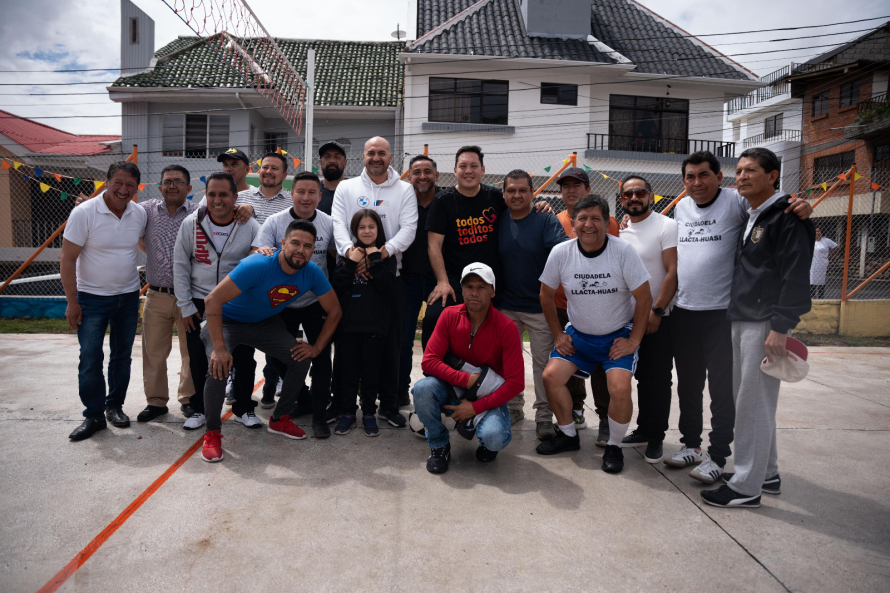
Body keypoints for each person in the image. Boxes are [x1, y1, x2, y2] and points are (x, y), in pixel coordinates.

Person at [669, 151, 812, 484]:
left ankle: (719, 457)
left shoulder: (736, 201)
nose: (697, 182)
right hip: (686, 309)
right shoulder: (681, 207)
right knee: (689, 385)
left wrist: (801, 204)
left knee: (727, 392)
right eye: (690, 176)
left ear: (720, 178)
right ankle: (692, 445)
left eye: (704, 175)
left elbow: (780, 209)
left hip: (724, 312)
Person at [423, 145, 551, 425]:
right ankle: (436, 394)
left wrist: (540, 206)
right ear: (454, 170)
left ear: (482, 169)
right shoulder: (444, 202)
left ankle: (494, 402)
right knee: (434, 319)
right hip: (459, 286)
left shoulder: (496, 197)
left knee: (496, 351)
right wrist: (443, 282)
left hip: (493, 290)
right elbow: (434, 244)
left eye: (474, 166)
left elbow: (522, 206)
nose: (468, 171)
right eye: (463, 166)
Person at [199, 219, 342, 462]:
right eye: (295, 243)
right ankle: (212, 433)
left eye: (308, 246)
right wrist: (220, 349)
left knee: (300, 358)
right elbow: (212, 300)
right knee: (218, 368)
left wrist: (317, 348)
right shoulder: (258, 264)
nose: (301, 250)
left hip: (263, 323)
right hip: (227, 322)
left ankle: (279, 419)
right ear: (283, 243)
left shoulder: (312, 273)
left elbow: (335, 311)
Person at [535, 195, 652, 474]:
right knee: (551, 376)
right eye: (582, 218)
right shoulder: (561, 252)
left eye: (596, 218)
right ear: (573, 223)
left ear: (607, 222)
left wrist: (633, 340)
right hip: (579, 335)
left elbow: (645, 298)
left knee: (620, 388)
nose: (589, 224)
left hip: (616, 335)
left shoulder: (623, 251)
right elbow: (545, 294)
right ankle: (568, 435)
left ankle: (613, 445)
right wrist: (557, 334)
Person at [330, 136, 417, 429]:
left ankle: (387, 405)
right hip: (351, 271)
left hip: (388, 275)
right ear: (362, 157)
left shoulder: (404, 189)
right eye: (371, 153)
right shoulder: (346, 186)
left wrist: (381, 253)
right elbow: (339, 225)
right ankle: (344, 405)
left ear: (391, 157)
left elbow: (409, 229)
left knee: (389, 347)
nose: (376, 157)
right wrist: (351, 254)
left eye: (381, 152)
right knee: (347, 349)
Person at [62, 161, 147, 441]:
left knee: (121, 357)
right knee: (90, 358)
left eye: (130, 185)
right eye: (118, 183)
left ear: (137, 187)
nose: (124, 190)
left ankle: (115, 407)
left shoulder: (138, 214)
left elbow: (141, 244)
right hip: (91, 299)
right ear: (107, 181)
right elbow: (68, 259)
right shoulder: (84, 213)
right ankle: (94, 415)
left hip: (128, 297)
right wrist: (72, 302)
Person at [414, 263, 524, 474]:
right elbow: (429, 361)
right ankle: (439, 445)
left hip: (487, 395)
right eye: (469, 287)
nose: (474, 293)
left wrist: (475, 408)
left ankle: (487, 441)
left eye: (481, 287)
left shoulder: (507, 327)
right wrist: (466, 380)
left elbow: (516, 383)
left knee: (494, 438)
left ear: (492, 291)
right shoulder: (448, 315)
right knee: (422, 389)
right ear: (462, 289)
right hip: (453, 388)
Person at [173, 173, 263, 430]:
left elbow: (257, 262)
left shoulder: (250, 225)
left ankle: (243, 408)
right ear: (205, 195)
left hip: (236, 302)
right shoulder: (191, 222)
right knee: (199, 358)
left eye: (224, 194)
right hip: (199, 301)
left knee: (244, 357)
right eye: (212, 194)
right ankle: (199, 409)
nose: (217, 200)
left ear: (235, 197)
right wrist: (186, 305)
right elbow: (180, 265)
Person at [251, 171, 336, 437]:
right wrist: (262, 251)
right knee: (278, 356)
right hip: (281, 302)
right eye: (301, 191)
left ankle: (320, 414)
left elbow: (339, 254)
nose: (306, 197)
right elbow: (258, 251)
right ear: (292, 193)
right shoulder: (275, 222)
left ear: (319, 196)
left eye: (312, 192)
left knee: (320, 358)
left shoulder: (329, 223)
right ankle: (304, 398)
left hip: (315, 301)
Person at [497, 170, 568, 440]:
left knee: (543, 366)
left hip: (539, 308)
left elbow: (563, 252)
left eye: (522, 190)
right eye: (511, 190)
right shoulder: (498, 219)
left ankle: (543, 416)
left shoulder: (545, 219)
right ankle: (513, 408)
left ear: (532, 193)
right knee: (508, 363)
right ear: (503, 193)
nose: (516, 195)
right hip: (506, 306)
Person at [553, 167, 620, 444]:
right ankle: (576, 409)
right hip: (563, 304)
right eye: (566, 186)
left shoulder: (610, 222)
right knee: (568, 357)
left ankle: (605, 417)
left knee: (603, 365)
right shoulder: (553, 220)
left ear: (588, 190)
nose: (571, 190)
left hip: (598, 304)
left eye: (577, 185)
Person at [616, 175, 678, 465]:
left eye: (639, 192)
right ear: (621, 200)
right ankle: (643, 428)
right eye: (627, 195)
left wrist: (658, 310)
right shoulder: (621, 230)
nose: (633, 198)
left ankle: (657, 438)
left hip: (656, 318)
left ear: (651, 196)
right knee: (639, 377)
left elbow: (671, 272)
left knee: (657, 378)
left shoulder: (666, 226)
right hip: (626, 320)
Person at [132, 165, 199, 423]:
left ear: (188, 188)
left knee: (190, 352)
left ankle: (188, 399)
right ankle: (156, 402)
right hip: (156, 295)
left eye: (179, 182)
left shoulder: (198, 213)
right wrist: (154, 254)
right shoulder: (146, 210)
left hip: (189, 297)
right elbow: (135, 234)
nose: (172, 185)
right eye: (168, 181)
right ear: (160, 186)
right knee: (154, 352)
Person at [331, 210, 398, 436]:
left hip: (375, 325)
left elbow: (386, 287)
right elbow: (337, 285)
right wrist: (351, 263)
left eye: (371, 226)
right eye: (362, 227)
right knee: (348, 372)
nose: (367, 231)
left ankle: (369, 412)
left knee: (371, 373)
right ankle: (348, 412)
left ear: (379, 229)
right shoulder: (346, 254)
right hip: (348, 325)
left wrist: (376, 260)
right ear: (354, 230)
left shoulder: (386, 256)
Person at [398, 155, 440, 406]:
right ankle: (400, 388)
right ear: (409, 176)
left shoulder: (446, 201)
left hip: (438, 282)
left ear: (436, 175)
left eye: (427, 171)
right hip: (407, 280)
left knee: (434, 342)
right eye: (416, 172)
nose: (422, 176)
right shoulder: (402, 201)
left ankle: (431, 390)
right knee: (403, 339)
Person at [317, 141, 348, 215]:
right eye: (327, 157)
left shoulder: (354, 189)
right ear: (320, 163)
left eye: (337, 157)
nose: (332, 161)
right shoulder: (313, 192)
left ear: (345, 163)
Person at [810, 227, 838, 299]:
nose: (817, 233)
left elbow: (837, 247)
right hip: (812, 264)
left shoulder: (826, 241)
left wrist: (830, 255)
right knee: (811, 280)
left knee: (821, 281)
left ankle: (820, 297)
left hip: (822, 264)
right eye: (815, 231)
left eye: (819, 231)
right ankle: (812, 297)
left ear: (821, 232)